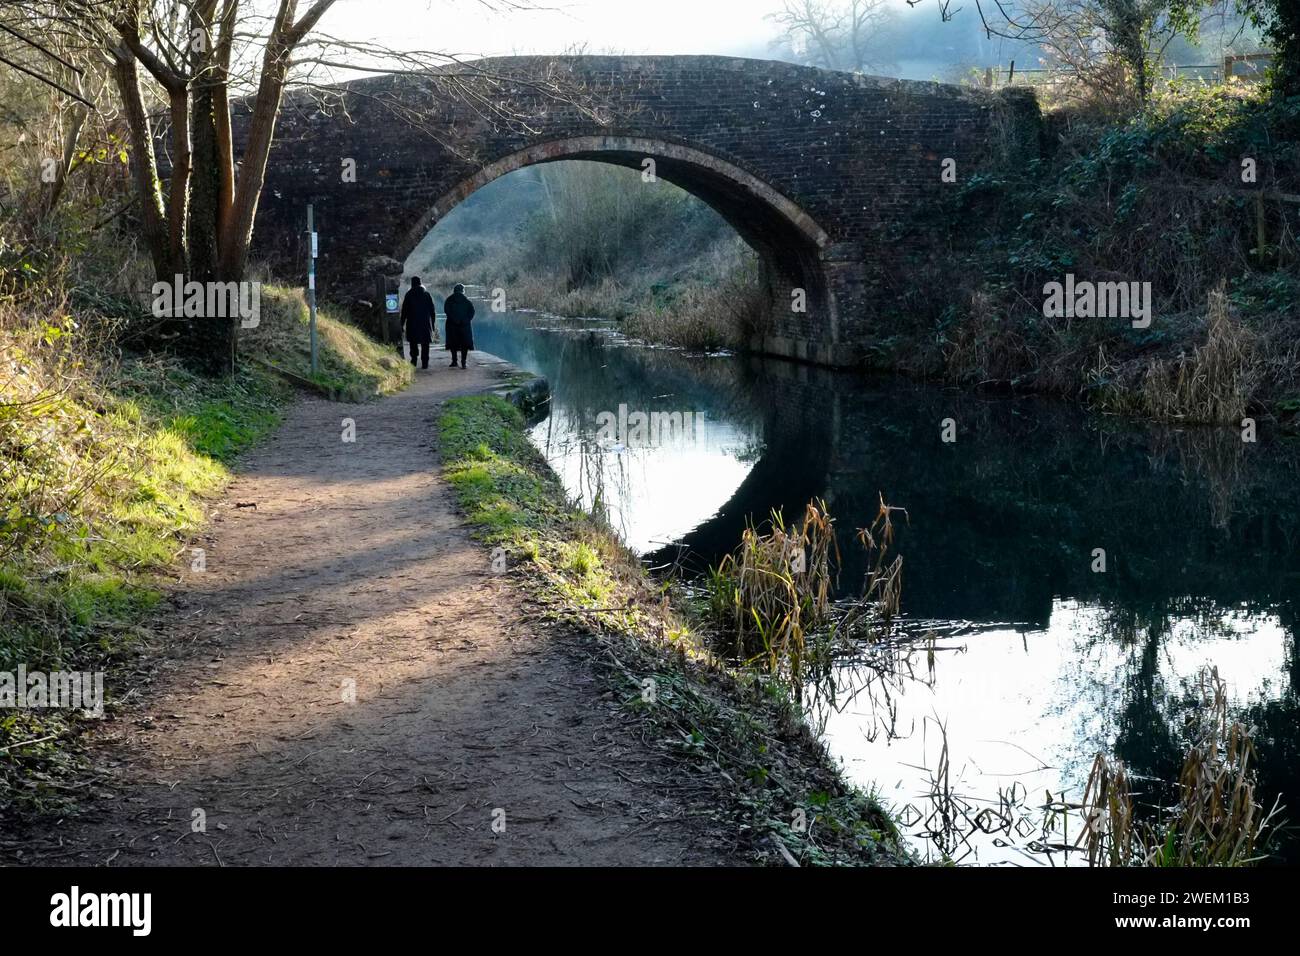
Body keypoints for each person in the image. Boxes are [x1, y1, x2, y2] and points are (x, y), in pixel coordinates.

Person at [400, 276, 437, 369]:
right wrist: (432, 324)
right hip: (425, 323)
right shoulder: (427, 294)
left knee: (413, 342)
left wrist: (402, 324)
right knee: (425, 343)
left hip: (412, 323)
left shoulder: (408, 295)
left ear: (412, 284)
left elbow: (404, 311)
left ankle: (414, 360)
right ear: (421, 283)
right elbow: (432, 311)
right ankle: (425, 363)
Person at [443, 283, 475, 369]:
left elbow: (446, 311)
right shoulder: (467, 301)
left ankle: (454, 361)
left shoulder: (449, 300)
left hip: (452, 325)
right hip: (464, 326)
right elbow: (472, 312)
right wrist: (465, 320)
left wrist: (454, 320)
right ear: (462, 291)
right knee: (464, 344)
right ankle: (463, 362)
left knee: (453, 343)